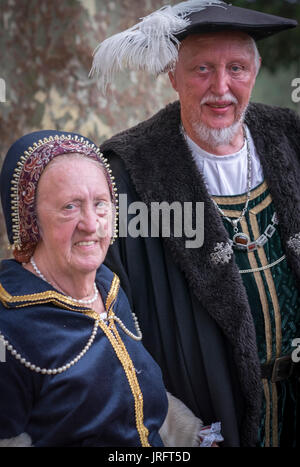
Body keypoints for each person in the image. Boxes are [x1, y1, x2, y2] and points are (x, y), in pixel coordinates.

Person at [90, 0, 300, 447]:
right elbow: (107, 324)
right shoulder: (127, 174)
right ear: (173, 76)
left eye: (237, 68)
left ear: (256, 71)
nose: (221, 88)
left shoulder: (292, 141)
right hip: (207, 423)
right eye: (202, 69)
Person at [0, 130, 173, 447]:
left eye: (101, 203)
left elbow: (132, 405)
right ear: (31, 220)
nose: (91, 224)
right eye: (70, 206)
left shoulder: (109, 288)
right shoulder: (8, 328)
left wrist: (190, 435)